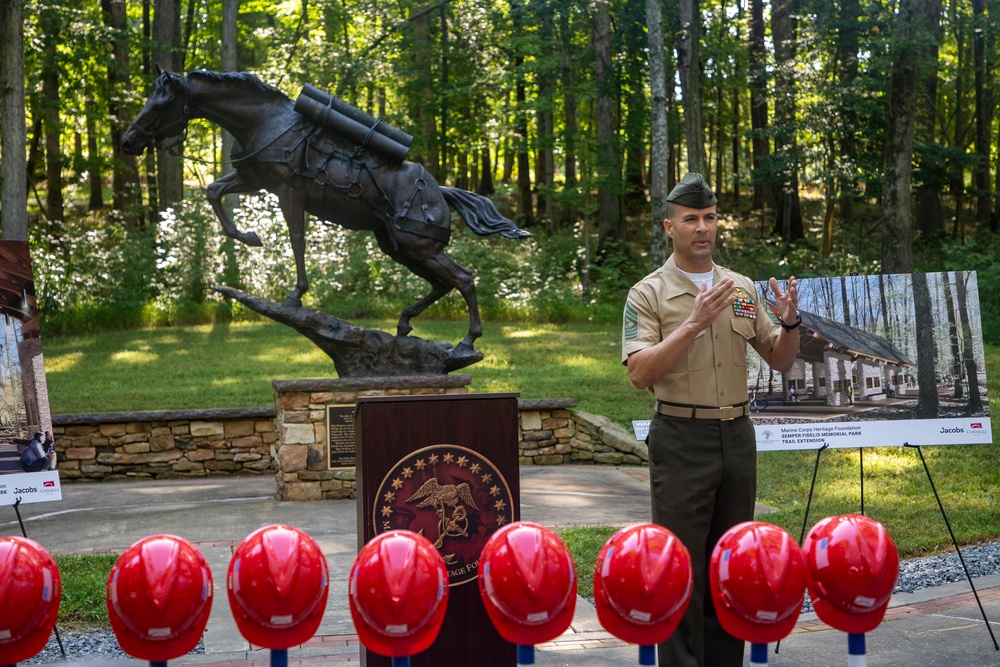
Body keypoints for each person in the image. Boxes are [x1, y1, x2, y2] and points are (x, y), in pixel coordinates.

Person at [621, 173, 800, 667]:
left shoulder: (740, 287)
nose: (703, 228)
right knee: (679, 566)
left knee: (731, 563)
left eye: (710, 218)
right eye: (691, 219)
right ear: (670, 227)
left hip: (737, 437)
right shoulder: (648, 294)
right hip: (681, 436)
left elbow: (780, 359)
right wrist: (694, 323)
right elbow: (639, 373)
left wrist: (788, 324)